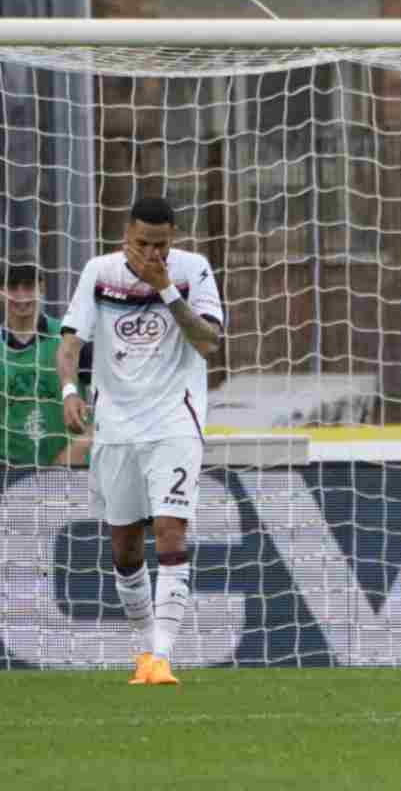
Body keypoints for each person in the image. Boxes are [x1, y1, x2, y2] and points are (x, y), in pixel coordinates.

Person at [57, 197, 223, 686]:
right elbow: (69, 344)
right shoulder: (99, 271)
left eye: (161, 244)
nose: (151, 253)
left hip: (175, 419)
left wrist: (166, 290)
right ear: (126, 235)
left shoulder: (193, 270)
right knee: (125, 547)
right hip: (116, 425)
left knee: (170, 530)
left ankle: (163, 657)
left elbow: (209, 342)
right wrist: (69, 391)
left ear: (174, 238)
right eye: (142, 243)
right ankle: (146, 650)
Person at [1, 263, 91, 467]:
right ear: (2, 291)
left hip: (70, 467)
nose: (21, 296)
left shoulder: (69, 339)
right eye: (13, 287)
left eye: (28, 286)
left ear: (42, 288)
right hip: (11, 471)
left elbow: (113, 401)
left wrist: (84, 443)